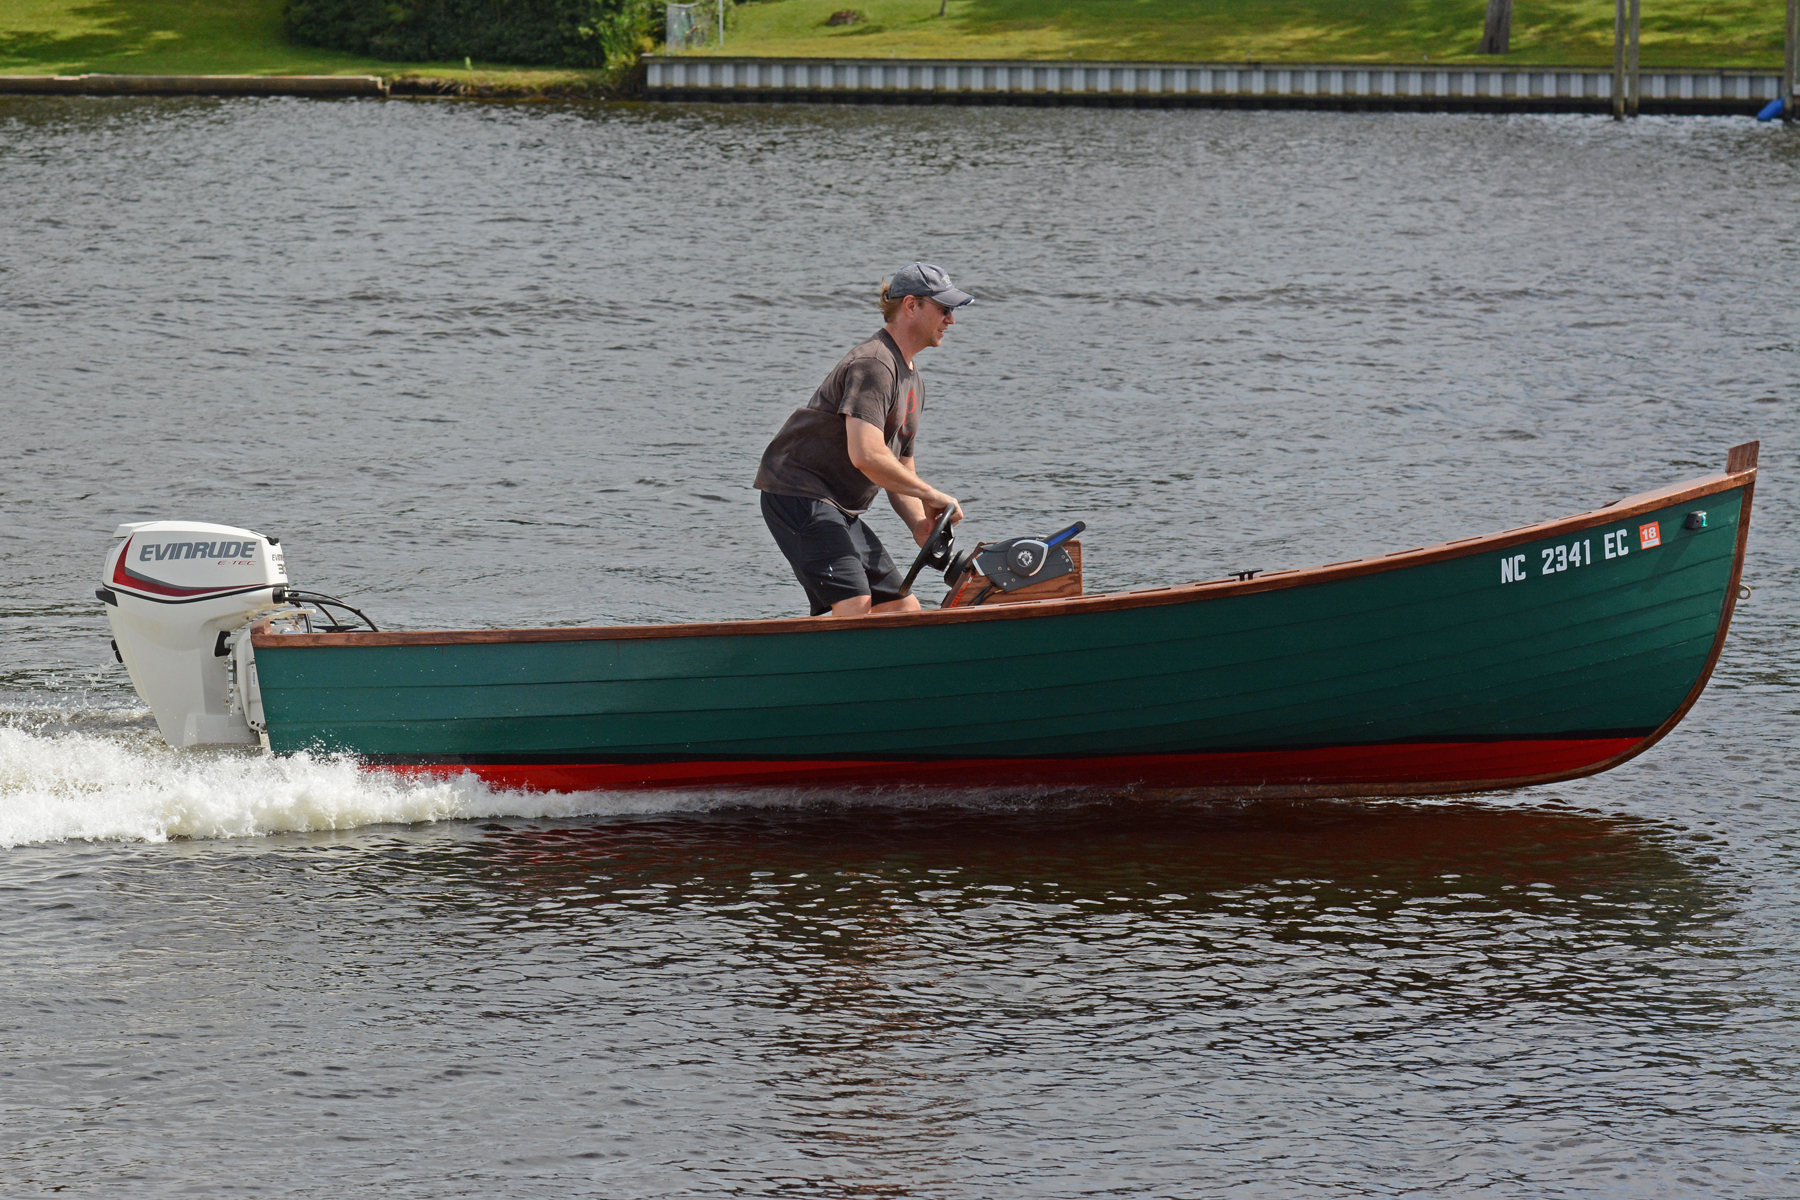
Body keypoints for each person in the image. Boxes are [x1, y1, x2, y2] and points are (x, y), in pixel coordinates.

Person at [755, 262, 972, 617]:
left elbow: (899, 467)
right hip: (798, 493)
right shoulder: (874, 364)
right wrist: (932, 495)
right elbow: (867, 456)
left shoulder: (912, 380)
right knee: (856, 605)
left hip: (839, 508)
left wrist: (920, 524)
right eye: (944, 309)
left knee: (902, 608)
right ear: (911, 305)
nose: (951, 320)